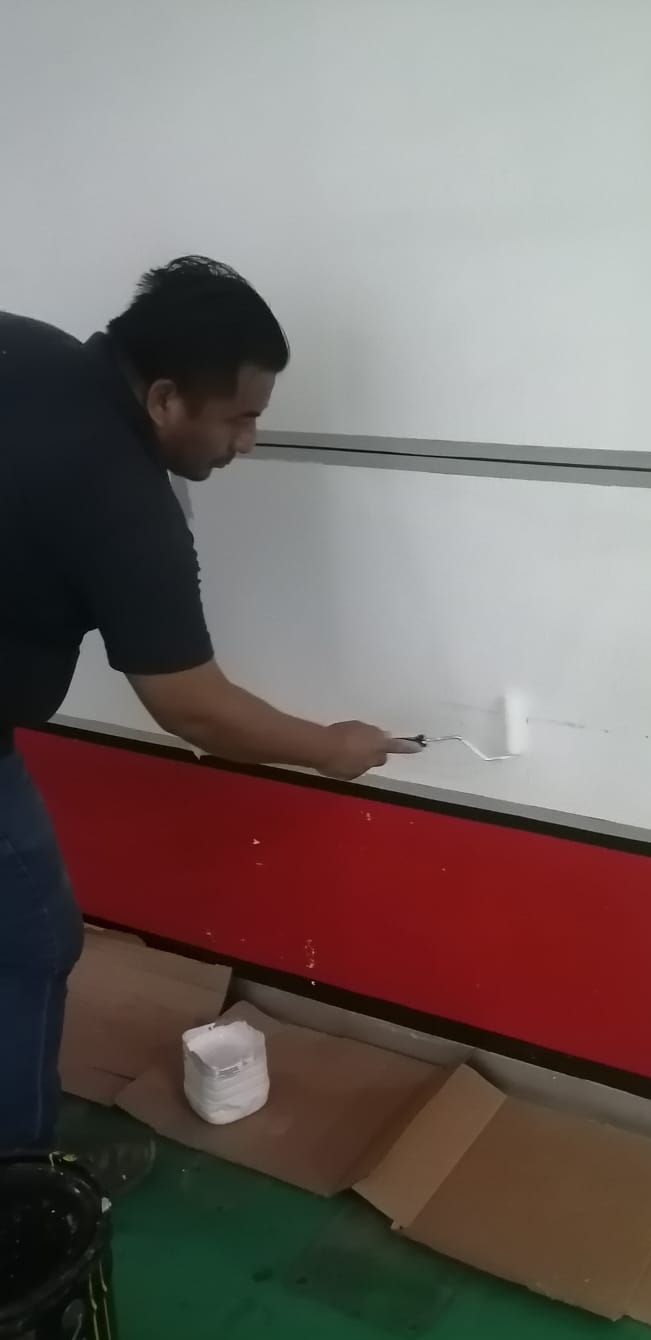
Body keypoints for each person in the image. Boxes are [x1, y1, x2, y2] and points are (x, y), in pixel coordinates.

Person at [0, 255, 419, 1154]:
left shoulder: (23, 348)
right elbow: (193, 707)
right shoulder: (124, 502)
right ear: (164, 399)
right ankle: (19, 1185)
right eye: (240, 418)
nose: (248, 442)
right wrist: (330, 747)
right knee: (30, 944)